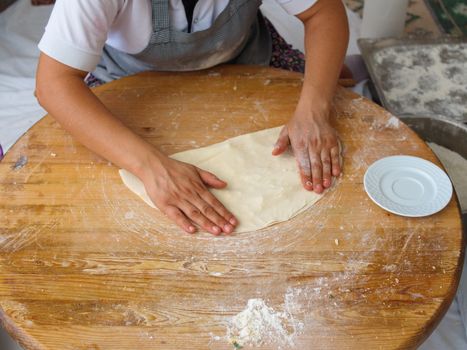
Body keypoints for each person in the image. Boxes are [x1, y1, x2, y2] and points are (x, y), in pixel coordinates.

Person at [35, 0, 349, 235]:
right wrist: (151, 167)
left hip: (245, 57)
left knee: (338, 85)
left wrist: (313, 111)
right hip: (129, 76)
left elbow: (323, 13)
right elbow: (53, 84)